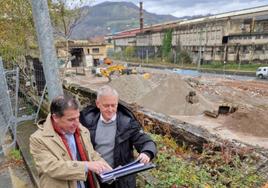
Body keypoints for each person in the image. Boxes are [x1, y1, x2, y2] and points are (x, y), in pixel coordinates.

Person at [80, 85, 157, 188]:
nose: (110, 109)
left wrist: (147, 152)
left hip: (121, 180)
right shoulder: (87, 120)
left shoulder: (127, 123)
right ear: (98, 104)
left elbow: (146, 142)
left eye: (113, 105)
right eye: (106, 105)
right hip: (95, 178)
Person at [30, 95, 112, 188]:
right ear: (55, 117)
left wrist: (105, 167)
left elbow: (91, 154)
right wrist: (86, 166)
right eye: (71, 119)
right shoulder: (38, 139)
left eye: (78, 117)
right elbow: (52, 167)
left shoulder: (82, 130)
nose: (77, 123)